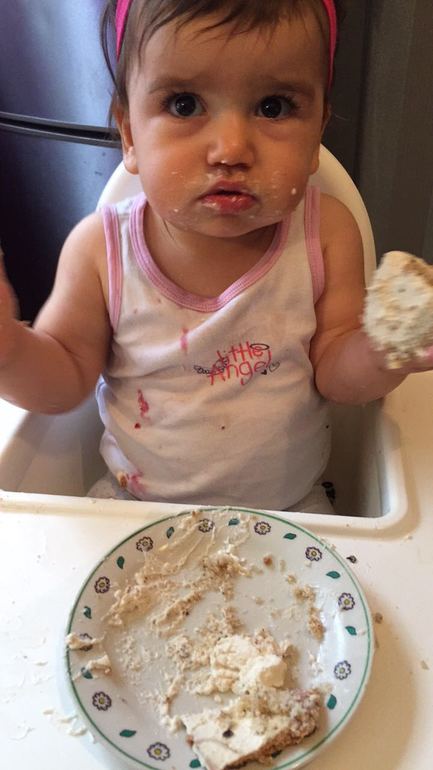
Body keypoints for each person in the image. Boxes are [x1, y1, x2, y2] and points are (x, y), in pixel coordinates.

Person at [0, 0, 431, 512]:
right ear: (130, 134)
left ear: (318, 132)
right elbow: (63, 380)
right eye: (185, 104)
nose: (230, 149)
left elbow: (338, 377)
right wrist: (10, 350)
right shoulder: (100, 251)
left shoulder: (325, 235)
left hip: (290, 511)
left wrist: (387, 350)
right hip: (134, 509)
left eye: (273, 107)